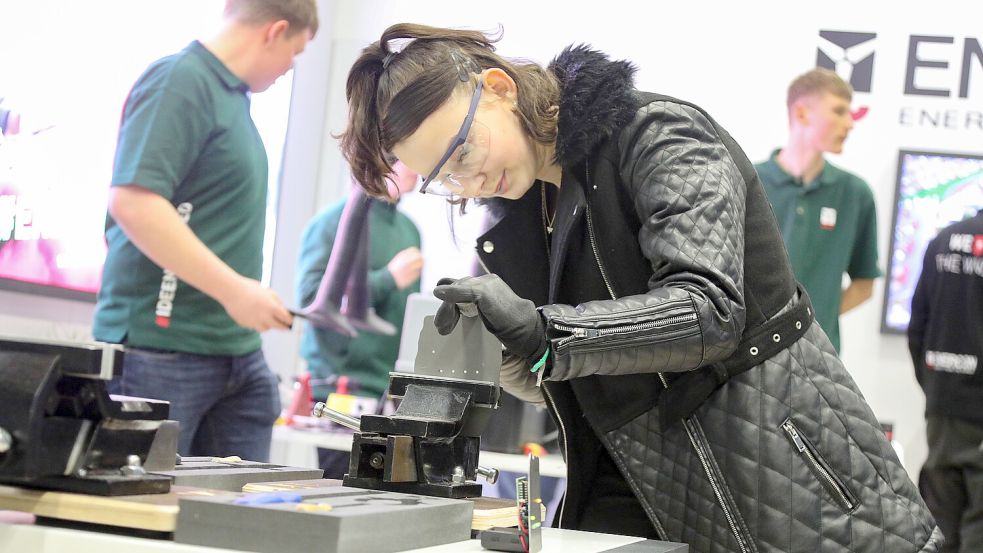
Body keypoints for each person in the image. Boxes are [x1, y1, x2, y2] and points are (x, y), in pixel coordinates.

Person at [339, 24, 941, 551]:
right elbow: (567, 373)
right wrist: (510, 356)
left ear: (499, 87)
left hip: (785, 473)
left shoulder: (658, 135)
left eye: (464, 149)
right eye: (445, 178)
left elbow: (707, 311)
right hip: (641, 480)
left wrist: (546, 333)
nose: (468, 180)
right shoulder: (517, 217)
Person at [93, 0, 318, 462]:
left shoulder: (232, 100)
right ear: (274, 31)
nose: (289, 68)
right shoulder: (180, 81)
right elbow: (135, 203)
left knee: (234, 517)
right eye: (294, 53)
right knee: (133, 515)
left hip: (234, 352)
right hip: (163, 350)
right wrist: (235, 291)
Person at [296, 160, 422, 477]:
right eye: (405, 157)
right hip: (340, 390)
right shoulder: (331, 223)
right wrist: (387, 279)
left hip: (390, 393)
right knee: (341, 492)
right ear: (379, 160)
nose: (416, 166)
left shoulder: (409, 230)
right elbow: (313, 300)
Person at [754, 68, 881, 353]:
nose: (850, 124)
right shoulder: (748, 182)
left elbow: (864, 284)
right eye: (839, 111)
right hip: (748, 359)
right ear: (802, 114)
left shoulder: (856, 194)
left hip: (820, 359)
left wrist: (811, 320)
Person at [908, 208, 983, 552]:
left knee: (939, 521)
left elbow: (917, 327)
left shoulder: (941, 240)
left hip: (943, 404)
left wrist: (935, 386)